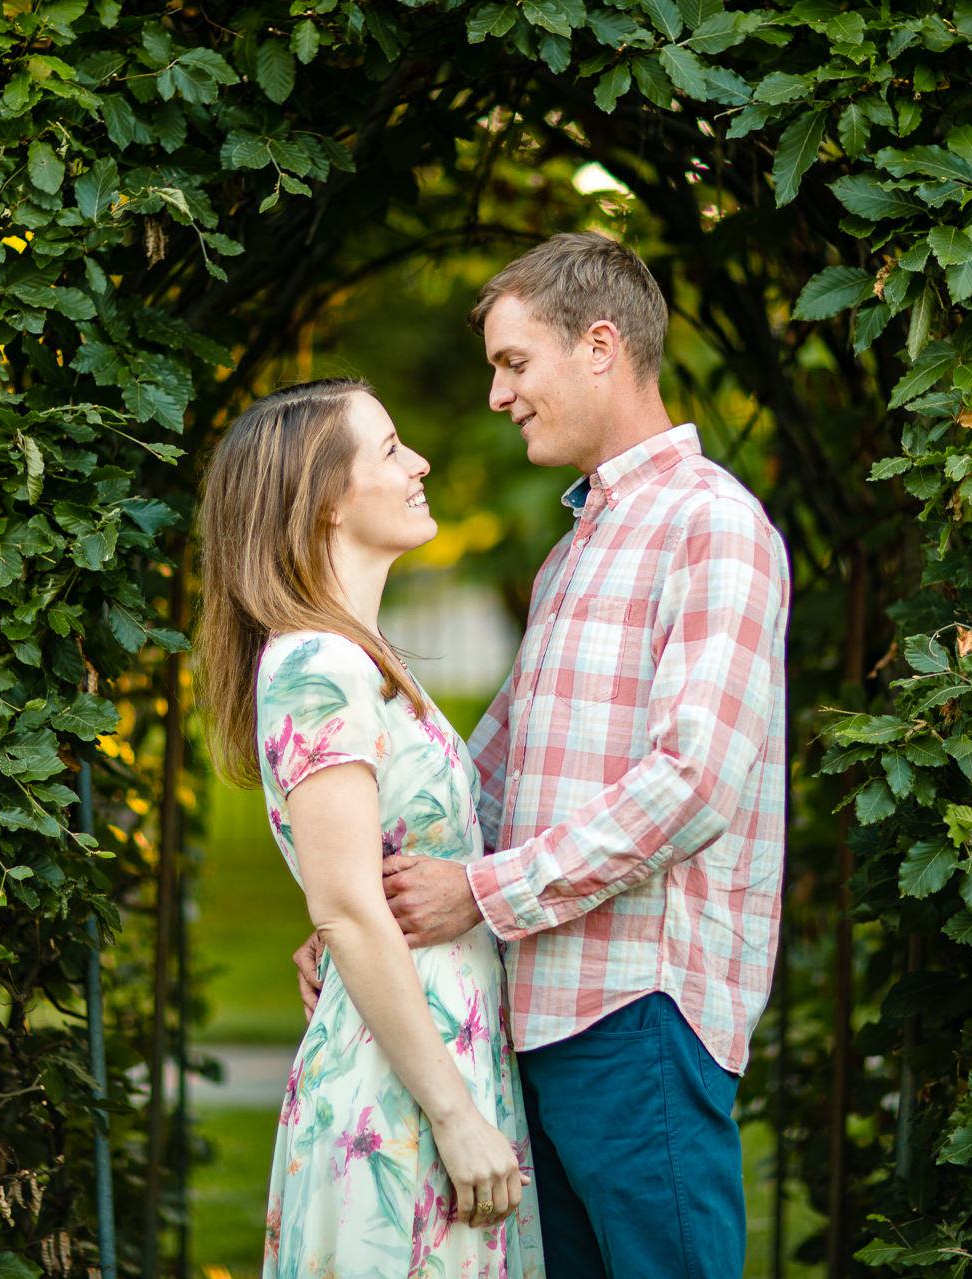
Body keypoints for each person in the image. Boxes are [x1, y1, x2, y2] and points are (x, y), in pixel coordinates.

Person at [295, 232, 791, 1278]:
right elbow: (490, 770)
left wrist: (481, 890)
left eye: (514, 362)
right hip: (539, 1017)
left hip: (640, 1011)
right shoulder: (575, 552)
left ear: (600, 345)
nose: (495, 394)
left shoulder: (713, 529)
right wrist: (360, 911)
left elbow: (693, 781)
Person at [196, 378, 544, 1278]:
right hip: (403, 1089)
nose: (420, 461)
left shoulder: (357, 656)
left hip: (430, 1056)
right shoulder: (317, 663)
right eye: (390, 448)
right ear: (324, 503)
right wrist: (456, 1115)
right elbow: (349, 906)